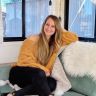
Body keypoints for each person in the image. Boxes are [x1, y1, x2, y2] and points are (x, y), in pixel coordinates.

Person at [7, 15, 78, 96]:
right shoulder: (32, 39)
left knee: (52, 83)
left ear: (56, 29)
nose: (49, 28)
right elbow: (23, 60)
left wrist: (60, 28)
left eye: (53, 26)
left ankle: (14, 94)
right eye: (47, 24)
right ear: (43, 25)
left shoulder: (55, 44)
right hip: (18, 73)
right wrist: (43, 69)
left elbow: (74, 38)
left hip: (38, 77)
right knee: (40, 74)